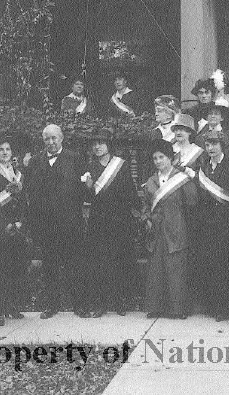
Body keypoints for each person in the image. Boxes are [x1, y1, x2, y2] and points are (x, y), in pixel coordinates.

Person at [26, 124, 87, 319]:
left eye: (54, 138)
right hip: (46, 225)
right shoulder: (35, 161)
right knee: (49, 266)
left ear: (61, 138)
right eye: (47, 139)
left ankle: (79, 305)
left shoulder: (75, 159)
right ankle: (52, 305)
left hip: (70, 223)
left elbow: (83, 190)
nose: (51, 142)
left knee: (74, 265)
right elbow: (31, 193)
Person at [81, 129, 140, 318]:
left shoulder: (120, 165)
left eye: (101, 142)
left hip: (119, 220)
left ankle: (119, 301)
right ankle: (101, 303)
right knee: (99, 262)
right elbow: (87, 197)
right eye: (94, 143)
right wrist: (88, 188)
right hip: (99, 221)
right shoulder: (89, 166)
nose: (97, 146)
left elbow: (130, 192)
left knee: (120, 261)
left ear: (109, 145)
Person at [143, 139, 198, 319]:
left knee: (176, 269)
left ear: (170, 158)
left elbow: (192, 203)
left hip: (176, 228)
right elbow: (145, 205)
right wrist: (146, 219)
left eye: (162, 157)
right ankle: (155, 307)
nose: (158, 161)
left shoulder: (181, 179)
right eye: (155, 158)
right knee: (156, 269)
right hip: (157, 230)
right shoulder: (151, 181)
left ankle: (178, 309)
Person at [0, 133, 29, 326]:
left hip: (16, 227)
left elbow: (24, 201)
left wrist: (20, 222)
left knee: (16, 267)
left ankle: (12, 306)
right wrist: (5, 224)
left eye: (8, 149)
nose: (4, 152)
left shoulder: (17, 172)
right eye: (1, 150)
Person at [194, 130, 229, 321]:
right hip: (206, 222)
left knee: (224, 264)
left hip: (225, 221)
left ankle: (223, 306)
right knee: (209, 262)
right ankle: (211, 304)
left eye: (214, 144)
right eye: (207, 145)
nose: (210, 148)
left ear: (222, 145)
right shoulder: (203, 166)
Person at [194, 98, 229, 162]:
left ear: (222, 118)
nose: (213, 116)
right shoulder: (199, 138)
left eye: (216, 114)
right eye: (210, 113)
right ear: (206, 117)